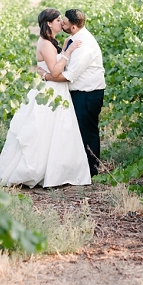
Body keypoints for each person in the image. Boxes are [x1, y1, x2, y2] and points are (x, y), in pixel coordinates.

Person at [0, 9, 91, 188]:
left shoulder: (52, 41)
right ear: (49, 23)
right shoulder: (45, 43)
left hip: (57, 90)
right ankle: (37, 171)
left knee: (59, 131)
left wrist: (66, 47)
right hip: (50, 92)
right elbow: (54, 70)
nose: (62, 22)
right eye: (58, 19)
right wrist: (68, 53)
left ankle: (57, 172)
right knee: (45, 130)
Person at [41, 9, 106, 176]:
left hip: (88, 94)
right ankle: (79, 168)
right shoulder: (71, 39)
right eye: (61, 20)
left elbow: (70, 74)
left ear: (74, 27)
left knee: (87, 131)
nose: (62, 23)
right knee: (76, 131)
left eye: (65, 22)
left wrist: (47, 76)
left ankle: (92, 170)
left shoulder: (84, 45)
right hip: (79, 93)